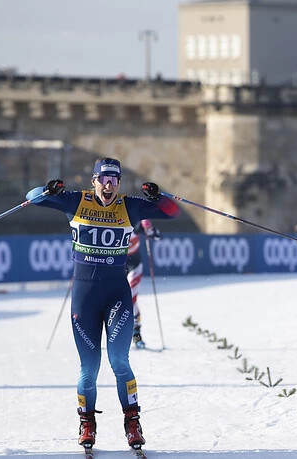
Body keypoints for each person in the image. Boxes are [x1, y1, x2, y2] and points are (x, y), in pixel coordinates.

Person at [25, 157, 180, 451]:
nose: (108, 185)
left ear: (118, 183)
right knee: (89, 368)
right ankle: (87, 424)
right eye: (103, 179)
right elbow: (32, 199)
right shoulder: (75, 201)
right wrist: (49, 190)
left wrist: (159, 196)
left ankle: (132, 422)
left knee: (120, 361)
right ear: (94, 180)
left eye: (114, 180)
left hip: (116, 295)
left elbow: (172, 212)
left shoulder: (130, 206)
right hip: (85, 298)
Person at [126, 219, 162, 349]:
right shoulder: (111, 220)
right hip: (116, 266)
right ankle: (113, 334)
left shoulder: (135, 223)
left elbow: (158, 237)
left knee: (131, 297)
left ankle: (136, 334)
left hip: (134, 265)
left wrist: (149, 229)